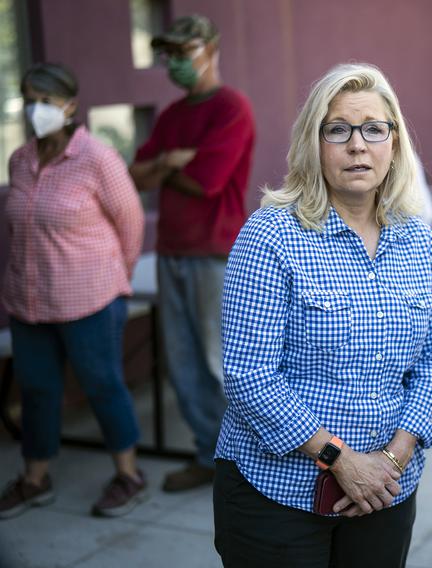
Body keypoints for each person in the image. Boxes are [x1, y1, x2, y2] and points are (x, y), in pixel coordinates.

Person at [212, 63, 432, 567]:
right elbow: (249, 376)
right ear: (313, 143)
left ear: (394, 141)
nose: (357, 145)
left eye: (373, 129)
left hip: (387, 490)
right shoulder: (271, 235)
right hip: (278, 497)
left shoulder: (417, 237)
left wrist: (393, 457)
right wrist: (341, 461)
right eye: (337, 129)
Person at [0, 63, 146, 519]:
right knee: (38, 390)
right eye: (29, 99)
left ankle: (128, 474)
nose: (35, 109)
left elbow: (131, 223)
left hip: (91, 302)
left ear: (69, 106)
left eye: (46, 100)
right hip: (28, 301)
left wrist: (112, 279)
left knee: (102, 386)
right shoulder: (19, 160)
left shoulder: (98, 159)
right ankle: (34, 479)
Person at [128, 14, 255, 492]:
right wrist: (169, 162)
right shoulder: (172, 117)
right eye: (171, 54)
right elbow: (134, 176)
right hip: (171, 251)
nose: (177, 61)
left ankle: (247, 467)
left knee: (218, 363)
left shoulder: (231, 107)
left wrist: (166, 168)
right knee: (182, 365)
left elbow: (207, 182)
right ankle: (210, 456)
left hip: (213, 253)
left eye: (186, 51)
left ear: (211, 48)